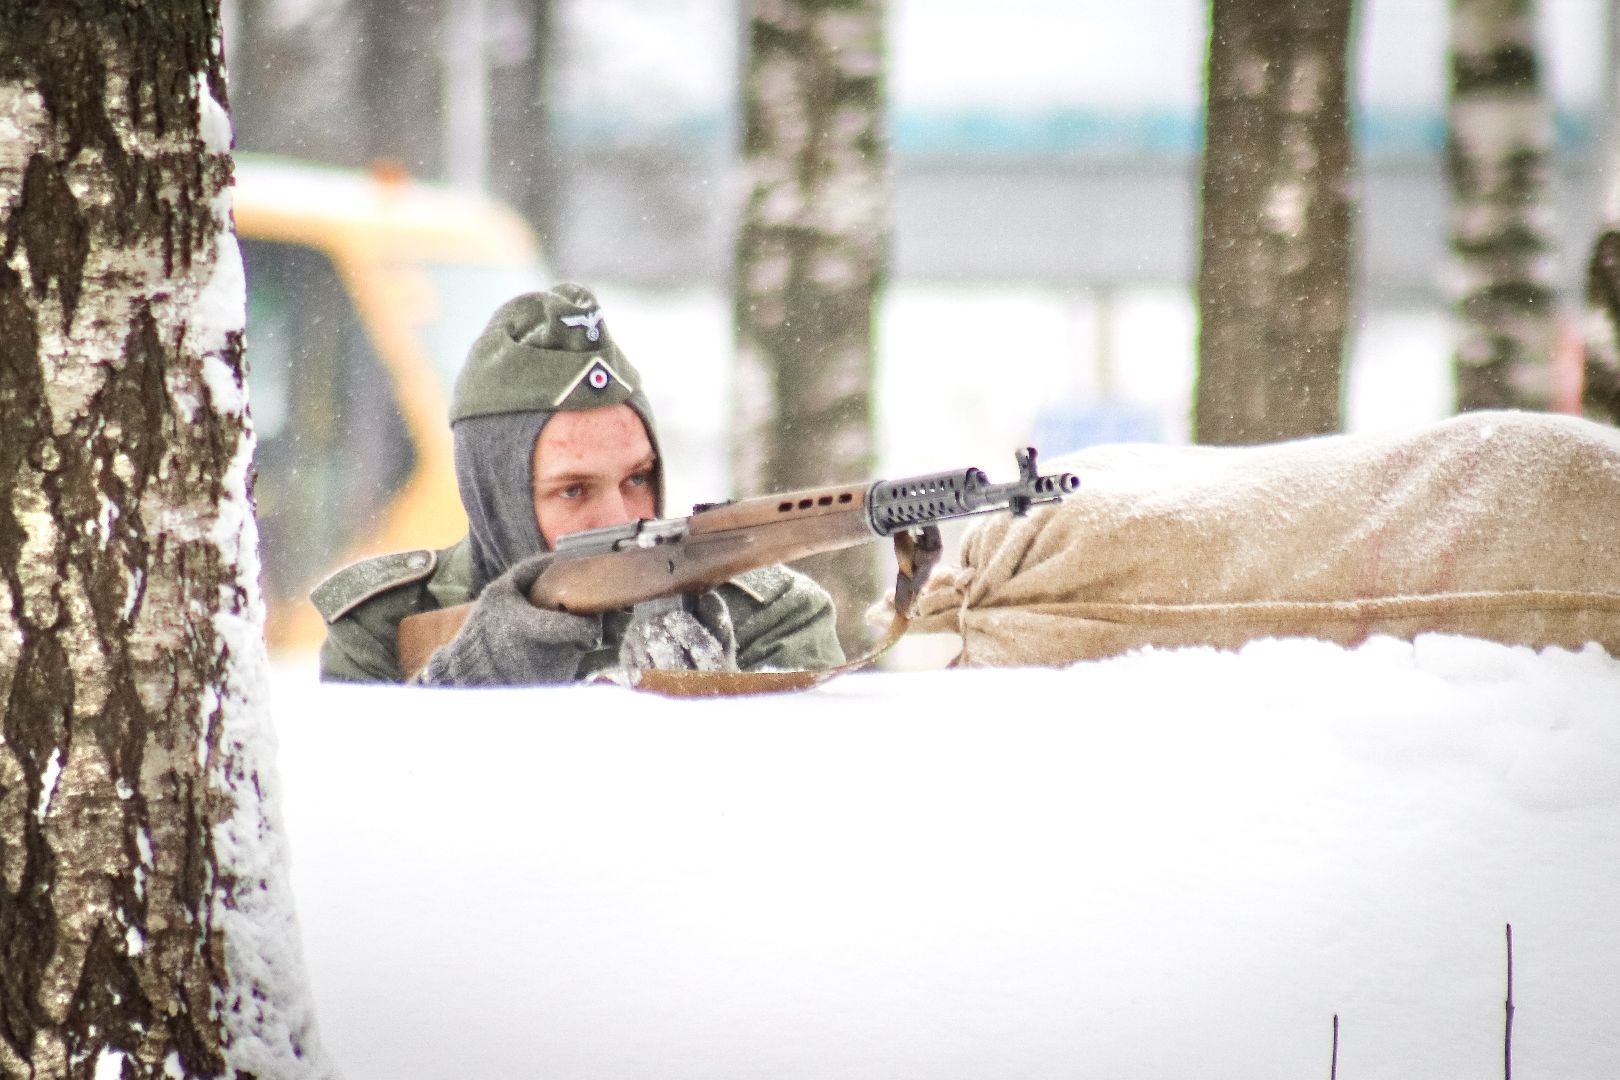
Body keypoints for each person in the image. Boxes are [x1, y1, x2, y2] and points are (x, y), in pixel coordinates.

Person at [311, 284, 845, 685]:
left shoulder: (769, 614)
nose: (621, 518)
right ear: (497, 498)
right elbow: (375, 813)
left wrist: (714, 708)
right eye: (574, 491)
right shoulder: (383, 625)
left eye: (638, 478)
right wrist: (474, 677)